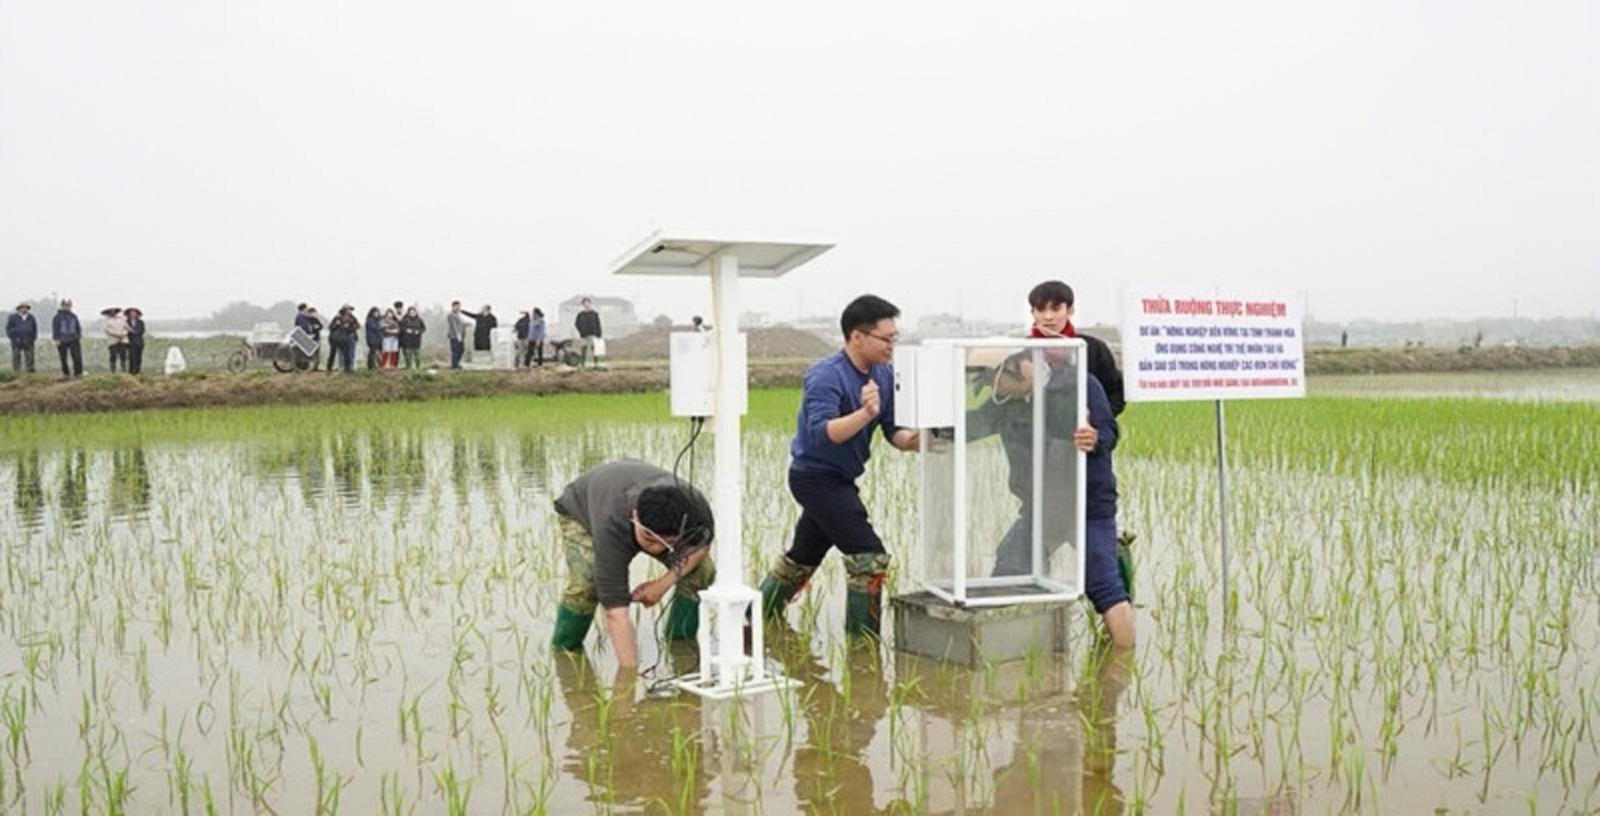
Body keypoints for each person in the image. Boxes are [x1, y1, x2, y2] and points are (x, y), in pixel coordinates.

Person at [757, 294, 921, 639]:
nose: (892, 345)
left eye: (895, 338)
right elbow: (822, 434)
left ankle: (751, 622)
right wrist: (864, 413)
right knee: (868, 557)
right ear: (857, 336)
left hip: (842, 479)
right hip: (814, 477)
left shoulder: (884, 375)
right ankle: (863, 652)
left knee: (802, 558)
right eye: (886, 338)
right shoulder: (825, 375)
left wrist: (920, 440)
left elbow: (893, 431)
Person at [1027, 280, 1135, 599]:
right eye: (1041, 309)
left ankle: (1117, 603)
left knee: (1102, 567)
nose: (1048, 317)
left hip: (1087, 457)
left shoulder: (1092, 350)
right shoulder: (1022, 352)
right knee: (1025, 555)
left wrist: (1094, 423)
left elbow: (1117, 394)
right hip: (1042, 469)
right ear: (1032, 312)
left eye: (1055, 308)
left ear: (1069, 310)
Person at [550, 460, 716, 666]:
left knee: (702, 571)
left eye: (666, 543)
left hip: (633, 490)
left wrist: (662, 584)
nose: (655, 548)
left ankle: (680, 646)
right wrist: (628, 678)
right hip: (581, 508)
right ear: (636, 516)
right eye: (648, 539)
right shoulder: (611, 525)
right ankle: (564, 652)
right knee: (588, 582)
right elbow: (615, 613)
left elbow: (701, 547)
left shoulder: (695, 511)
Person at [52, 300, 83, 378]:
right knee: (63, 358)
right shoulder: (57, 317)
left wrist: (79, 336)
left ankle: (78, 373)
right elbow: (55, 328)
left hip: (74, 339)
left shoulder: (74, 316)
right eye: (65, 305)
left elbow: (78, 327)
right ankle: (66, 373)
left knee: (77, 357)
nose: (66, 307)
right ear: (61, 306)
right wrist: (56, 339)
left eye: (68, 306)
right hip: (62, 340)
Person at [327, 305, 361, 372]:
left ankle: (349, 367)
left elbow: (358, 325)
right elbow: (331, 327)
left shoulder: (352, 317)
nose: (350, 311)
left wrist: (351, 327)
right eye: (349, 309)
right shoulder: (338, 317)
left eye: (351, 310)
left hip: (351, 337)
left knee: (350, 353)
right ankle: (341, 367)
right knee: (341, 353)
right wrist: (338, 325)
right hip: (340, 338)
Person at [6, 303, 37, 373]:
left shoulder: (31, 317)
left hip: (29, 340)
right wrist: (13, 338)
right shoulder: (13, 317)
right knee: (16, 357)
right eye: (22, 307)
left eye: (26, 308)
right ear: (19, 309)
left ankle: (30, 371)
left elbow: (35, 329)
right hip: (16, 341)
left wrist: (33, 338)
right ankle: (17, 372)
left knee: (30, 357)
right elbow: (8, 329)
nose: (24, 309)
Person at [575, 297, 603, 369]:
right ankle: (582, 364)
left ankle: (596, 364)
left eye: (588, 303)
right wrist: (581, 331)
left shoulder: (594, 314)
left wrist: (599, 334)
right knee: (583, 349)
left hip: (593, 334)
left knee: (594, 349)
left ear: (590, 304)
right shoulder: (580, 315)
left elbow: (598, 324)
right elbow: (576, 324)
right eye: (585, 303)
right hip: (584, 335)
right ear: (583, 305)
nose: (586, 305)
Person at [295, 306, 324, 371]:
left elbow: (321, 326)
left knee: (316, 352)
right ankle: (308, 366)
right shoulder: (304, 318)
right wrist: (313, 328)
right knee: (309, 352)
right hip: (310, 337)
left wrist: (316, 328)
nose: (313, 314)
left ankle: (315, 367)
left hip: (316, 337)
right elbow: (307, 328)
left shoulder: (315, 319)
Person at [102, 307, 130, 372]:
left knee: (123, 355)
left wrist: (123, 334)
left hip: (122, 340)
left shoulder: (122, 319)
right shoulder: (106, 321)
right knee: (113, 356)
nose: (112, 312)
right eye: (111, 311)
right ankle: (113, 372)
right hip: (113, 340)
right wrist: (117, 335)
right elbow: (107, 330)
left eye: (114, 311)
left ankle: (124, 371)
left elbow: (127, 328)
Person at [447, 301, 469, 369]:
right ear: (453, 306)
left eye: (459, 306)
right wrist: (458, 335)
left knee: (461, 349)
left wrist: (466, 324)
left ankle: (456, 363)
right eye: (457, 306)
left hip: (461, 336)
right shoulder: (451, 315)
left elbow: (461, 323)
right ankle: (454, 365)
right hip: (454, 336)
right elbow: (454, 326)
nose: (459, 308)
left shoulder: (458, 315)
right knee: (455, 350)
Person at [124, 307, 146, 375]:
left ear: (137, 314)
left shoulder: (141, 322)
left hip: (139, 343)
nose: (133, 314)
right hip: (130, 343)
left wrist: (132, 331)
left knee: (138, 358)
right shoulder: (126, 322)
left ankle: (137, 372)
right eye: (131, 312)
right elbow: (125, 332)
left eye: (134, 312)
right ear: (128, 314)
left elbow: (142, 331)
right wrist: (130, 332)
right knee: (132, 358)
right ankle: (131, 372)